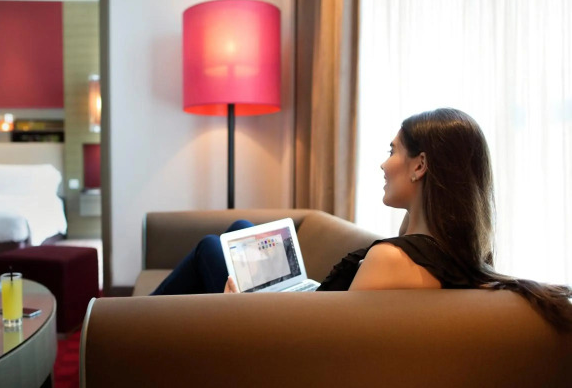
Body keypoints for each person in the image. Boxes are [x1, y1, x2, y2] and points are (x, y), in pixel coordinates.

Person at [152, 108, 572, 331]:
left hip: (281, 337)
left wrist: (239, 313)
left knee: (210, 247)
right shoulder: (459, 256)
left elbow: (321, 346)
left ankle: (133, 331)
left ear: (420, 165)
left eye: (393, 151)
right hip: (305, 310)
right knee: (240, 230)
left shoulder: (391, 260)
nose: (384, 164)